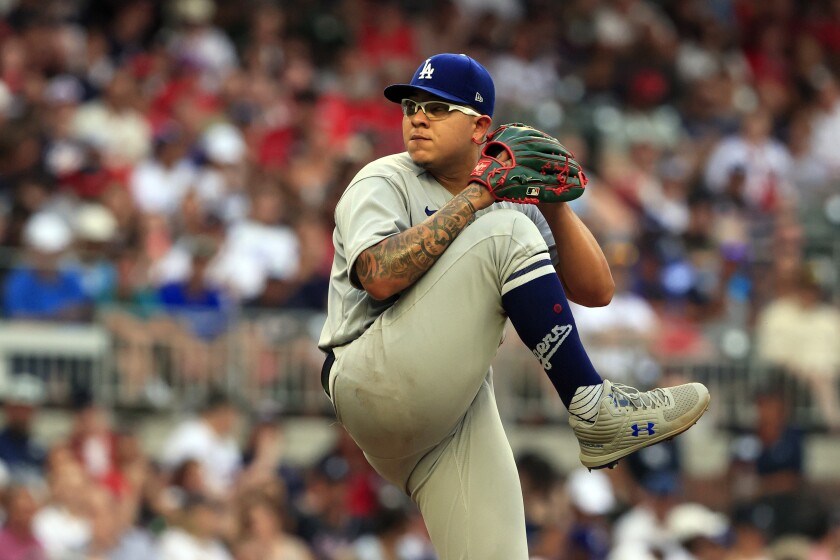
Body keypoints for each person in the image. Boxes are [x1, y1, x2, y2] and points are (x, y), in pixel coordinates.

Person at [318, 53, 710, 558]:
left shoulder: (504, 199)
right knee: (506, 229)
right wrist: (480, 196)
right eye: (411, 105)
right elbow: (378, 276)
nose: (416, 116)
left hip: (450, 409)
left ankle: (593, 410)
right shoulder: (385, 178)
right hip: (370, 372)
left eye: (437, 109)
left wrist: (551, 199)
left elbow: (596, 290)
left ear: (480, 125)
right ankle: (592, 407)